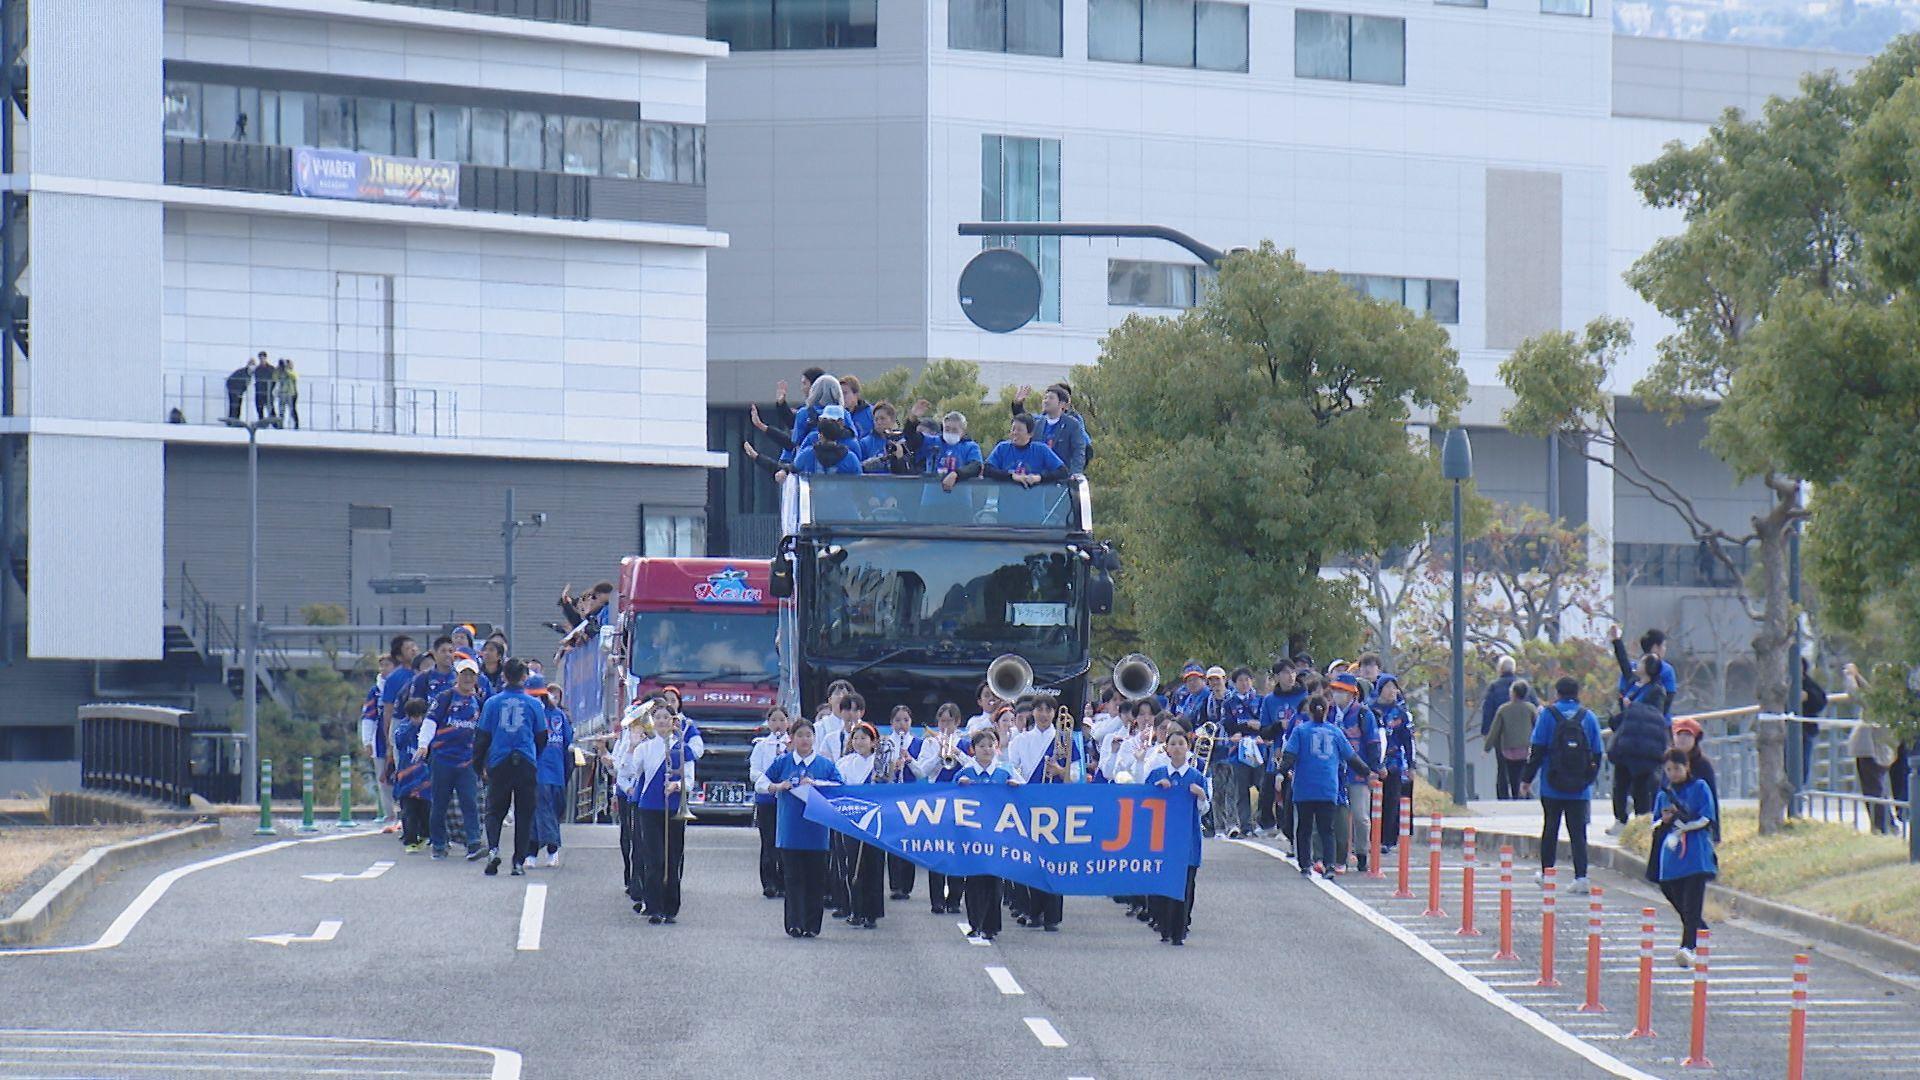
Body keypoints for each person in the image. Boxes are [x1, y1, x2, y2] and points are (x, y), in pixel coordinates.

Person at [1280, 694, 1378, 881]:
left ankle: (1305, 864)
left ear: (1309, 710)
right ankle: (1330, 865)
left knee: (1305, 827)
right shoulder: (1335, 732)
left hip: (1304, 788)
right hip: (1328, 787)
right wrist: (1367, 772)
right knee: (1327, 829)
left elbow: (1289, 757)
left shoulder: (1300, 731)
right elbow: (1352, 757)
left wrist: (1280, 772)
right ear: (1326, 711)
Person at [1521, 676, 1604, 893]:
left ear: (1557, 693)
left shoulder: (1548, 715)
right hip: (1580, 789)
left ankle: (1547, 873)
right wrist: (1589, 779)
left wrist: (1526, 780)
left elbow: (1536, 750)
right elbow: (1597, 752)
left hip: (1552, 784)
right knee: (1578, 833)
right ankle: (1581, 877)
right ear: (1578, 693)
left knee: (1551, 828)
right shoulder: (1589, 717)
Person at [764, 718, 844, 938]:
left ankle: (812, 925)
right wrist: (778, 786)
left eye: (808, 735)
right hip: (790, 830)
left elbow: (839, 787)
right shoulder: (783, 762)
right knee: (793, 879)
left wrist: (817, 784)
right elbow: (761, 781)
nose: (805, 740)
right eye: (800, 735)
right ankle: (794, 924)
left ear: (814, 738)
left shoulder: (825, 765)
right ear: (792, 738)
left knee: (815, 880)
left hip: (817, 831)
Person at [473, 659, 548, 877]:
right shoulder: (534, 704)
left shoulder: (492, 703)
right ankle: (518, 862)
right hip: (525, 761)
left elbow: (482, 737)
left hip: (499, 761)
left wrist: (480, 765)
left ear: (504, 676)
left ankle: (494, 849)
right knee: (525, 813)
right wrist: (535, 755)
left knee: (495, 810)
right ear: (525, 677)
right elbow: (542, 736)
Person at [1651, 748, 1718, 969]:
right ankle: (1699, 929)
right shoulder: (1663, 794)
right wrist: (1666, 820)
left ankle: (1687, 947)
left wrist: (1683, 823)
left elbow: (1706, 817)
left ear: (1686, 766)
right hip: (1671, 858)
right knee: (1671, 892)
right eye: (1668, 769)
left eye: (1677, 768)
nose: (1673, 773)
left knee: (1692, 903)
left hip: (1696, 855)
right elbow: (1654, 823)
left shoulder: (1700, 787)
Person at [632, 700, 696, 924]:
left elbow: (690, 779)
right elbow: (634, 770)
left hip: (674, 807)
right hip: (649, 807)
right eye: (657, 717)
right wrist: (633, 745)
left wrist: (676, 785)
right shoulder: (645, 747)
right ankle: (654, 906)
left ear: (673, 722)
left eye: (665, 718)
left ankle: (671, 906)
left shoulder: (682, 749)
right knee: (654, 858)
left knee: (672, 857)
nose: (661, 721)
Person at [1145, 727, 1209, 945]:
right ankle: (1163, 926)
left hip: (1187, 839)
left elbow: (1205, 809)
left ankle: (1179, 930)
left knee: (1186, 885)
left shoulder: (1197, 776)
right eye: (1173, 744)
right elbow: (1141, 804)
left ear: (1188, 747)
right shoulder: (1157, 775)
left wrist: (1200, 796)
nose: (1178, 748)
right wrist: (1156, 790)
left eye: (1181, 743)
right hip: (1161, 839)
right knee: (1163, 883)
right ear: (1167, 748)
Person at [421, 658, 487, 861]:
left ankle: (474, 843)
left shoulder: (479, 702)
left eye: (471, 674)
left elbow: (484, 732)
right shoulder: (445, 697)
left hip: (467, 761)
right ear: (457, 676)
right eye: (464, 674)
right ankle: (439, 844)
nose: (468, 678)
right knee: (440, 803)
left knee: (470, 803)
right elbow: (430, 722)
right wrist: (423, 745)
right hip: (443, 759)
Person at [955, 728, 1013, 940]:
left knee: (995, 883)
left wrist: (1015, 787)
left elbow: (1024, 794)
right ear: (973, 749)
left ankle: (991, 925)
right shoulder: (965, 774)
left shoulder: (1005, 772)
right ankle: (975, 923)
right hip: (972, 836)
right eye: (981, 746)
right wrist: (959, 787)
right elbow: (949, 799)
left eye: (990, 745)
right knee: (974, 882)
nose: (986, 750)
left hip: (998, 836)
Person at [916, 703, 970, 914]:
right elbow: (922, 771)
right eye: (941, 721)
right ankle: (936, 900)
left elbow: (974, 767)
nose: (944, 725)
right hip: (936, 799)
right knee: (937, 848)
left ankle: (955, 899)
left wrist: (958, 754)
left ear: (957, 722)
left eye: (949, 721)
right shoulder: (930, 742)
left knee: (958, 849)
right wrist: (939, 756)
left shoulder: (965, 742)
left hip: (959, 799)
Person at [1605, 661, 1671, 836]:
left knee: (1641, 785)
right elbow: (1624, 665)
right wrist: (1616, 641)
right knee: (1620, 783)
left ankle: (1641, 824)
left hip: (1644, 744)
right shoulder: (1633, 684)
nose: (1639, 663)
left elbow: (1654, 712)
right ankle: (1621, 819)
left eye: (1643, 662)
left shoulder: (1657, 690)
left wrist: (1630, 706)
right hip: (1626, 740)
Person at [834, 723, 885, 929]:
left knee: (873, 865)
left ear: (873, 742)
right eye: (855, 738)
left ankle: (871, 913)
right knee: (853, 864)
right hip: (851, 819)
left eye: (864, 738)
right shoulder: (844, 763)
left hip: (876, 821)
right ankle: (855, 909)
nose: (859, 742)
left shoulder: (881, 763)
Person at [1327, 673, 1380, 872]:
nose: (1337, 694)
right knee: (1337, 816)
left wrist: (1373, 768)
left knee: (1360, 815)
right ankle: (1338, 855)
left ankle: (1362, 853)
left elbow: (1373, 742)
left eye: (1342, 691)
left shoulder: (1363, 714)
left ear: (1352, 694)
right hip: (1333, 773)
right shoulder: (1329, 713)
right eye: (1335, 690)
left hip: (1358, 772)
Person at [1843, 663, 1900, 834]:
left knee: (1872, 789)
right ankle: (1888, 824)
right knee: (1879, 788)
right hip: (1883, 749)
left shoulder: (1880, 702)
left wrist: (1850, 676)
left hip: (1872, 749)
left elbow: (1856, 695)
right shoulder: (1895, 698)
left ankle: (1880, 827)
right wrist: (1858, 676)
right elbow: (1867, 693)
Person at [1259, 662, 1308, 839]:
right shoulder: (1269, 700)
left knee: (1293, 791)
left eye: (1293, 672)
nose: (1290, 676)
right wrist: (1280, 725)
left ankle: (1291, 828)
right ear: (1277, 677)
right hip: (1278, 752)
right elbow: (1263, 730)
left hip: (1302, 751)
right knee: (1274, 790)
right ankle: (1278, 825)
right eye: (1285, 673)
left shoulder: (1305, 696)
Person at [880, 705, 924, 901]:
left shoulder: (918, 743)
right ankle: (895, 885)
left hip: (911, 797)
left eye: (906, 720)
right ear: (891, 723)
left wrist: (909, 760)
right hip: (891, 796)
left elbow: (922, 773)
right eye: (898, 720)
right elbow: (880, 772)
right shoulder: (885, 743)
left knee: (909, 839)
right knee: (893, 839)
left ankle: (907, 884)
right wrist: (893, 766)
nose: (902, 724)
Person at [749, 706, 792, 899]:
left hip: (788, 798)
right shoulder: (761, 745)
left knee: (786, 841)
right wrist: (770, 782)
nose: (778, 724)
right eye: (774, 720)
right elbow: (754, 772)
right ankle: (769, 882)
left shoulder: (792, 744)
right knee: (768, 841)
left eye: (782, 720)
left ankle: (785, 881)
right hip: (767, 797)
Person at [531, 680, 573, 867]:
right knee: (539, 810)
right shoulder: (556, 715)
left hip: (550, 770)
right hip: (544, 771)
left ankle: (549, 848)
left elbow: (567, 740)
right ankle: (536, 851)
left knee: (545, 811)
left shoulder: (556, 715)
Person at [1010, 382, 1090, 475]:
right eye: (1045, 398)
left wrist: (1075, 473)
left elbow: (1079, 452)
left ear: (1062, 404)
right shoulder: (1038, 423)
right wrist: (1018, 404)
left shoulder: (1073, 424)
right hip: (1038, 477)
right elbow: (1023, 420)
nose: (1046, 401)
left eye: (1051, 398)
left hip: (1061, 478)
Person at [1374, 674, 1415, 848]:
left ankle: (1389, 840)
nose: (1391, 691)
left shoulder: (1400, 714)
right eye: (1387, 687)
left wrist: (1411, 765)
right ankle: (1374, 836)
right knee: (1375, 802)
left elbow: (1408, 740)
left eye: (1394, 687)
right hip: (1374, 763)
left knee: (1392, 801)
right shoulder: (1369, 710)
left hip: (1395, 763)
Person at [390, 698, 433, 852]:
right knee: (408, 811)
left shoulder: (429, 730)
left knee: (426, 809)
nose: (418, 719)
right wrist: (412, 726)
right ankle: (410, 840)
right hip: (406, 778)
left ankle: (426, 835)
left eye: (421, 715)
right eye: (414, 716)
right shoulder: (402, 728)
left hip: (425, 778)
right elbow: (399, 741)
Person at [360, 655, 397, 832]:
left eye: (387, 665)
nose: (384, 669)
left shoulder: (403, 685)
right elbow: (368, 717)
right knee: (383, 778)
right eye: (381, 665)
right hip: (380, 741)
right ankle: (389, 814)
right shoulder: (375, 691)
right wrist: (366, 741)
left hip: (400, 740)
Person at [1485, 680, 1537, 802]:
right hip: (1525, 748)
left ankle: (1515, 794)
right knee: (1523, 772)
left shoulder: (1503, 709)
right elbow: (1537, 727)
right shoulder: (1530, 708)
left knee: (1512, 773)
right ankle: (1524, 793)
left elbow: (1495, 730)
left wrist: (1487, 747)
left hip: (1508, 749)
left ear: (1513, 693)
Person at [983, 414, 1067, 486]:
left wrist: (1038, 478)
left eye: (1019, 430)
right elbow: (987, 469)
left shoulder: (1041, 449)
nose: (1015, 432)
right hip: (1007, 502)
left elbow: (1062, 471)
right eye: (1013, 429)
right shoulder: (1002, 448)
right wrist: (1011, 476)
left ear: (1030, 434)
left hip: (1033, 501)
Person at [925, 411, 984, 493]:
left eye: (955, 430)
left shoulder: (971, 446)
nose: (950, 432)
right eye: (947, 429)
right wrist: (912, 418)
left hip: (960, 496)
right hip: (931, 496)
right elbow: (914, 439)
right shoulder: (933, 441)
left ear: (963, 431)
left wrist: (956, 474)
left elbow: (975, 466)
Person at [1480, 655, 1527, 739]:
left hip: (1501, 734)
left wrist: (1486, 732)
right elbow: (1535, 707)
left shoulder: (1494, 686)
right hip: (1523, 733)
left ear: (1500, 669)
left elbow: (1488, 710)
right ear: (1514, 669)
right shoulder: (1524, 685)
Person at [1798, 658, 1828, 787]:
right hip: (1782, 732)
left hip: (1805, 731)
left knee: (1802, 765)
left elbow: (1821, 701)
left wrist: (1808, 696)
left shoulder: (1809, 684)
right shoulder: (1779, 684)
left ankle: (1798, 795)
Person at [226, 356, 258, 422]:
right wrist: (236, 391)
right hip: (234, 390)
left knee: (238, 406)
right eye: (251, 365)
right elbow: (233, 381)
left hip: (239, 392)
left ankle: (236, 420)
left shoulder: (250, 374)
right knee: (234, 405)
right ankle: (232, 420)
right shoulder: (242, 372)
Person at [252, 351, 277, 425]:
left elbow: (274, 380)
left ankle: (275, 424)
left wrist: (271, 389)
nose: (262, 360)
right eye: (260, 358)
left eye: (263, 358)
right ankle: (262, 424)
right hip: (259, 392)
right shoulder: (257, 369)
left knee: (271, 409)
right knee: (259, 409)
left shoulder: (271, 368)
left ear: (266, 358)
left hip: (268, 392)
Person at [275, 359, 299, 430]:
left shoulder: (292, 372)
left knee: (292, 410)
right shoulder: (279, 372)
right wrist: (278, 369)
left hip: (290, 394)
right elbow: (275, 378)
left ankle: (296, 424)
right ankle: (281, 425)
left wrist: (286, 370)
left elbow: (294, 376)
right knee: (281, 410)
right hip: (282, 393)